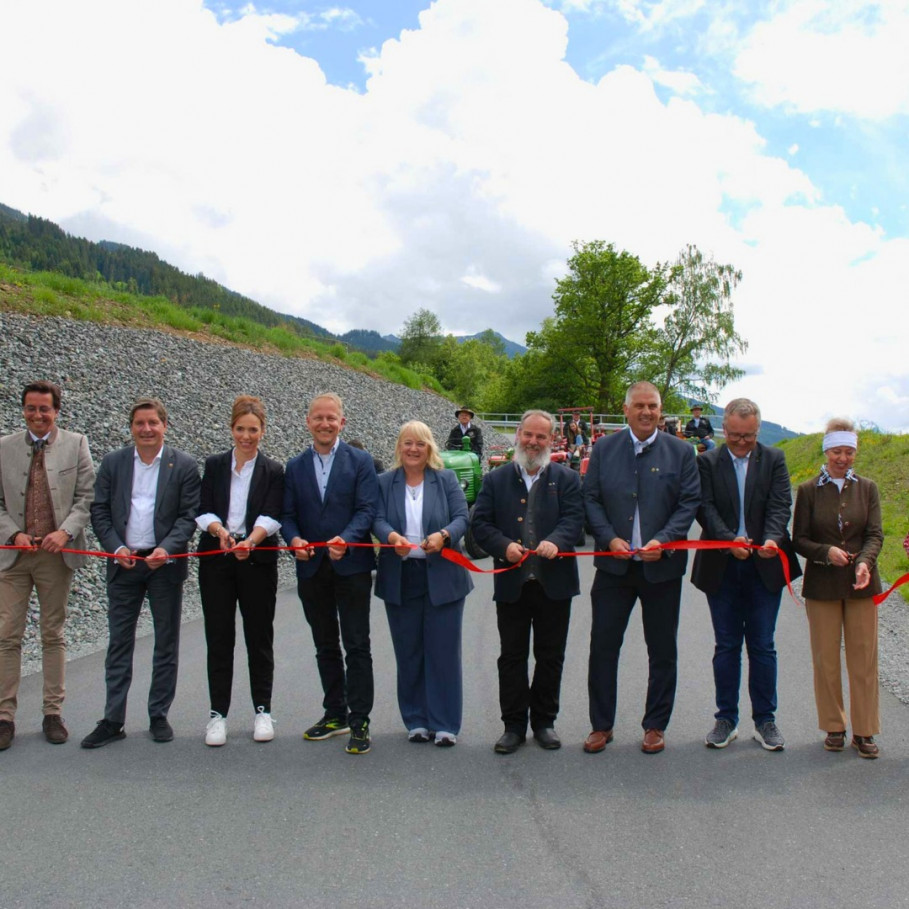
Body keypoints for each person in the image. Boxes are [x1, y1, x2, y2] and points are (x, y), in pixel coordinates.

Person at [584, 381, 700, 754]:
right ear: (626, 409)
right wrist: (607, 538)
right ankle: (601, 726)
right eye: (640, 406)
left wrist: (664, 541)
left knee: (662, 650)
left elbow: (688, 503)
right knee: (603, 646)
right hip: (614, 569)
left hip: (661, 569)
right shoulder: (604, 448)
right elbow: (591, 499)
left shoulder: (682, 452)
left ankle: (655, 725)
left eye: (653, 406)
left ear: (660, 410)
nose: (647, 412)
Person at [81, 398, 200, 748]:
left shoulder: (184, 465)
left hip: (164, 565)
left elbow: (188, 515)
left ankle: (158, 715)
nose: (146, 429)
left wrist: (169, 548)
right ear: (131, 427)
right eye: (139, 423)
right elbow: (99, 510)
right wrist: (116, 547)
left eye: (153, 423)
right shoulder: (114, 463)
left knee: (165, 642)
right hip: (124, 563)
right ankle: (113, 719)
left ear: (165, 425)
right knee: (119, 643)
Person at [690, 398, 802, 752]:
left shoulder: (774, 459)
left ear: (757, 429)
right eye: (736, 436)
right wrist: (727, 541)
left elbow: (780, 503)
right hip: (722, 566)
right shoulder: (706, 462)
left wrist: (771, 538)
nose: (741, 443)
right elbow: (703, 507)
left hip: (764, 565)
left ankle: (765, 720)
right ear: (724, 430)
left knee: (763, 645)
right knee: (726, 645)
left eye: (749, 436)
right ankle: (726, 719)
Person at [471, 410, 584, 754]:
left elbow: (575, 520)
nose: (533, 443)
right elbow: (481, 525)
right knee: (512, 656)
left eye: (541, 437)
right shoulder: (495, 480)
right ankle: (514, 726)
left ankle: (545, 722)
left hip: (555, 583)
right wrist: (503, 546)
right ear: (517, 435)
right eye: (528, 435)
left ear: (552, 441)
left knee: (551, 656)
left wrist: (558, 540)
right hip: (512, 583)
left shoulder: (567, 479)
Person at [281, 393, 378, 755]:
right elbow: (287, 514)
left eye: (331, 418)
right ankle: (335, 713)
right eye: (318, 418)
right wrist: (293, 539)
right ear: (308, 422)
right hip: (311, 568)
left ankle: (360, 719)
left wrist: (349, 539)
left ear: (342, 423)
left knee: (357, 644)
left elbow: (367, 509)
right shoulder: (295, 466)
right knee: (324, 645)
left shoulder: (361, 461)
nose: (325, 424)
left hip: (351, 566)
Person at [0, 381, 95, 751]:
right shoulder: (4, 447)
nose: (38, 415)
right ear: (22, 410)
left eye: (45, 409)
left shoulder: (76, 443)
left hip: (56, 556)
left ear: (57, 411)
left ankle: (52, 712)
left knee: (52, 634)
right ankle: (5, 716)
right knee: (8, 635)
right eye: (31, 408)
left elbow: (86, 497)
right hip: (15, 557)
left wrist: (65, 532)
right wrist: (12, 534)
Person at [373, 421, 472, 746]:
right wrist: (390, 536)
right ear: (399, 448)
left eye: (420, 444)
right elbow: (376, 517)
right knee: (409, 652)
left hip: (443, 577)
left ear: (430, 448)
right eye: (407, 443)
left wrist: (444, 536)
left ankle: (445, 724)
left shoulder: (445, 480)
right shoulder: (385, 482)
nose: (413, 449)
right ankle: (416, 720)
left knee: (443, 653)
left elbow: (462, 517)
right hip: (402, 578)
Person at [195, 396, 284, 747]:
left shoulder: (274, 470)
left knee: (259, 637)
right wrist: (220, 532)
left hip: (257, 561)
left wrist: (253, 540)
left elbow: (273, 514)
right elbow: (202, 510)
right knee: (219, 637)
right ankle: (218, 715)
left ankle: (263, 710)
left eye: (253, 430)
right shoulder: (215, 465)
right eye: (240, 429)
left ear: (263, 431)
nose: (247, 436)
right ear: (231, 429)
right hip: (217, 559)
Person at [793, 419, 884, 758]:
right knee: (826, 659)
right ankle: (834, 725)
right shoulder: (807, 490)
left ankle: (864, 730)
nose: (843, 458)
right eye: (836, 451)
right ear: (826, 451)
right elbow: (798, 539)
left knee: (864, 659)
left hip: (861, 585)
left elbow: (875, 534)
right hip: (822, 585)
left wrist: (865, 562)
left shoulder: (868, 489)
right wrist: (825, 553)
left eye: (848, 452)